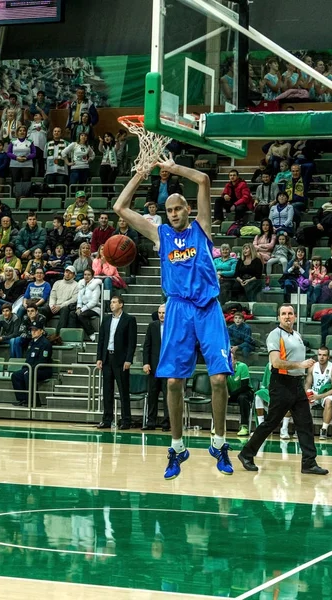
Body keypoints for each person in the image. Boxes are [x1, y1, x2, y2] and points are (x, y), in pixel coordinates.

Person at [113, 157, 234, 479]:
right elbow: (120, 208)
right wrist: (140, 173)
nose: (175, 213)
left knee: (219, 378)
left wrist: (171, 167)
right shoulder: (160, 235)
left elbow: (204, 180)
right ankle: (177, 447)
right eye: (169, 210)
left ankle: (219, 443)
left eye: (179, 207)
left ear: (188, 210)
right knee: (173, 382)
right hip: (178, 309)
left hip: (208, 307)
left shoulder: (201, 229)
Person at [238, 305, 329, 476]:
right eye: (284, 314)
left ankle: (309, 463)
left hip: (297, 384)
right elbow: (276, 363)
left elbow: (298, 363)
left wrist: (303, 372)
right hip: (281, 384)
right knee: (271, 422)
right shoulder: (275, 335)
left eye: (290, 314)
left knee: (305, 423)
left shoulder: (297, 335)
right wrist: (300, 365)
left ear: (295, 316)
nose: (287, 317)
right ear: (279, 317)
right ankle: (246, 454)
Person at [96, 295, 137, 430]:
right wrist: (99, 358)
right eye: (111, 302)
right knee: (107, 391)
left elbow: (132, 342)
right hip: (107, 357)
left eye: (114, 302)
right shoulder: (106, 319)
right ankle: (107, 419)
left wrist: (129, 359)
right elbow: (101, 340)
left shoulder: (129, 320)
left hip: (121, 360)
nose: (111, 304)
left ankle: (126, 420)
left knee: (123, 391)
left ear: (121, 304)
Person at [11, 320, 52, 407]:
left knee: (28, 374)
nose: (33, 332)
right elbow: (29, 359)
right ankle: (23, 399)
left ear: (41, 331)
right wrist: (25, 368)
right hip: (31, 368)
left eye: (35, 330)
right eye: (32, 330)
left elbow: (43, 361)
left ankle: (34, 401)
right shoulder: (31, 342)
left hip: (43, 369)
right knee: (15, 375)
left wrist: (29, 370)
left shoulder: (45, 343)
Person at [142, 304, 170, 432]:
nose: (161, 315)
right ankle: (151, 422)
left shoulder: (173, 326)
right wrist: (146, 363)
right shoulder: (152, 326)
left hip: (168, 367)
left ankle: (166, 423)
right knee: (152, 395)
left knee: (167, 397)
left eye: (163, 313)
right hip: (153, 367)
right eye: (159, 313)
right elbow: (147, 346)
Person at [305, 347, 332, 440]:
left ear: (328, 357)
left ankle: (324, 429)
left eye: (324, 355)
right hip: (315, 393)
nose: (321, 357)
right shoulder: (312, 367)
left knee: (329, 401)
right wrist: (308, 396)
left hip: (327, 394)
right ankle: (303, 428)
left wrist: (318, 396)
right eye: (319, 355)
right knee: (304, 400)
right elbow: (307, 384)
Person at [40, 265, 78, 332]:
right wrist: (52, 306)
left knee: (65, 309)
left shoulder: (76, 285)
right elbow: (52, 296)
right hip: (54, 306)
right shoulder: (57, 283)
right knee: (42, 310)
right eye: (66, 272)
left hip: (64, 306)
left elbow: (74, 299)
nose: (67, 274)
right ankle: (41, 331)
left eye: (70, 273)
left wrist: (60, 306)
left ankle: (58, 334)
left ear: (74, 275)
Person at [68, 267, 102, 341]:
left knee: (81, 315)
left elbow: (94, 302)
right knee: (72, 314)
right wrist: (79, 307)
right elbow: (79, 298)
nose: (86, 276)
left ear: (92, 276)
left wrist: (82, 309)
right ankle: (73, 336)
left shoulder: (95, 285)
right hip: (83, 307)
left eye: (89, 275)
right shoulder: (81, 284)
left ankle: (92, 335)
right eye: (85, 274)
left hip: (94, 308)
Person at [226, 354, 254, 437]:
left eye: (230, 360)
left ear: (235, 361)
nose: (229, 362)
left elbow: (244, 386)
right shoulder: (223, 368)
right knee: (217, 398)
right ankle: (217, 425)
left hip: (245, 392)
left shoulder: (242, 367)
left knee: (242, 398)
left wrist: (230, 395)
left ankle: (244, 426)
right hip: (231, 394)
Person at [7, 125, 36, 197]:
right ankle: (16, 198)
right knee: (15, 182)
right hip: (15, 165)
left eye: (24, 131)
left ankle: (26, 199)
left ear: (26, 132)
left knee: (26, 182)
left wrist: (26, 158)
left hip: (27, 165)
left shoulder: (30, 142)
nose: (22, 132)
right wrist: (16, 158)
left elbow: (34, 153)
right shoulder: (13, 141)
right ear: (17, 132)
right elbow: (8, 153)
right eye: (20, 131)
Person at [98, 132, 120, 198]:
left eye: (108, 136)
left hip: (112, 166)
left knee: (110, 183)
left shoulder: (114, 146)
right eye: (105, 137)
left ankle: (111, 197)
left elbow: (118, 147)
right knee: (104, 183)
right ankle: (104, 198)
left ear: (111, 138)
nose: (106, 138)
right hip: (103, 166)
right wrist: (101, 142)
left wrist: (116, 139)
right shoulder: (104, 146)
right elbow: (100, 149)